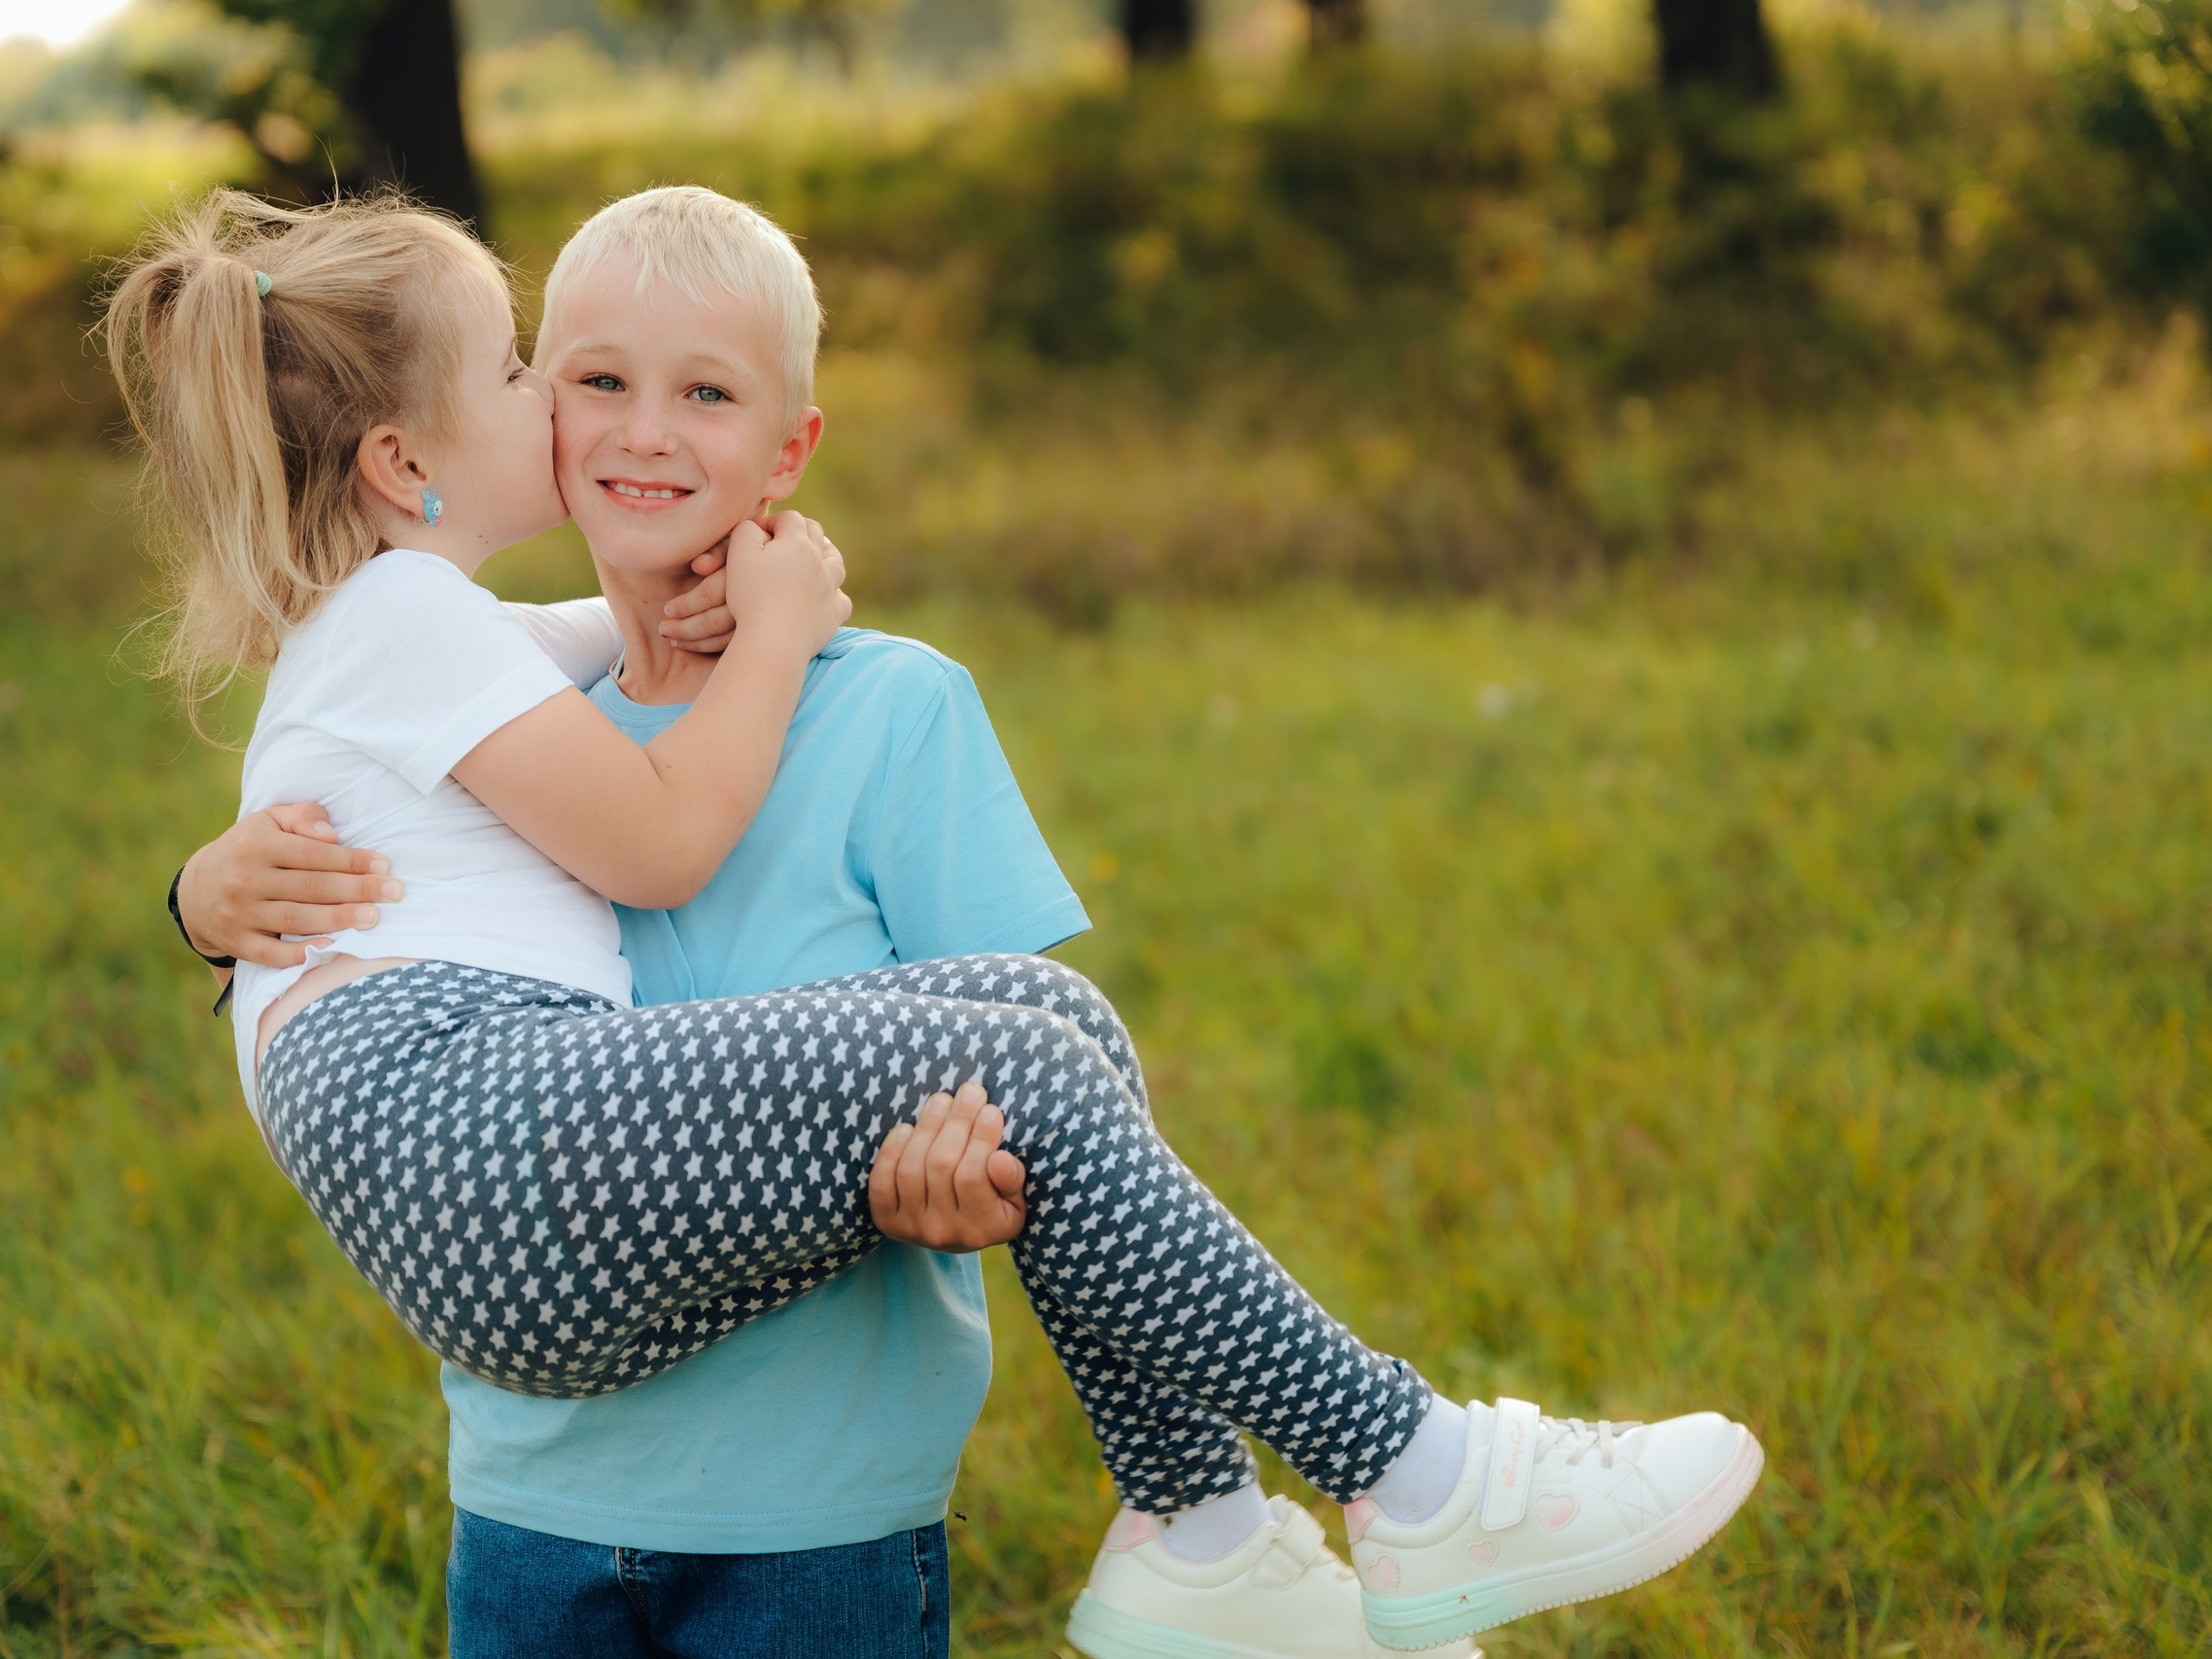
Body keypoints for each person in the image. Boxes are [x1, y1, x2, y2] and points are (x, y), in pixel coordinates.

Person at [125, 184, 1761, 1659]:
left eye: (699, 390)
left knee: (1056, 1034)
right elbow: (658, 843)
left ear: (790, 446)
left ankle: (1195, 1531)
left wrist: (778, 604)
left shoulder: (483, 648)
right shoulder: (419, 619)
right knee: (1042, 1059)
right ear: (408, 462)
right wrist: (209, 896)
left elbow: (498, 714)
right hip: (484, 1183)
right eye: (537, 373)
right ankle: (1420, 1470)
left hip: (583, 1287)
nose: (574, 411)